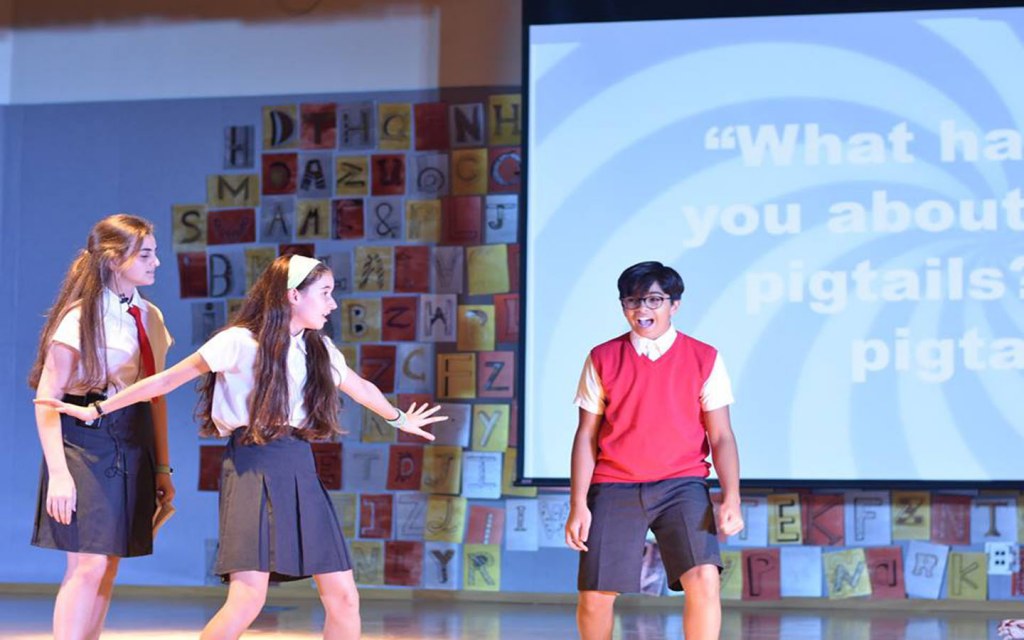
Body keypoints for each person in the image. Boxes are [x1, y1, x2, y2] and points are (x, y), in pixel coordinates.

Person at [38, 254, 446, 640]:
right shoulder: (237, 341)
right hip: (252, 465)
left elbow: (360, 387)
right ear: (294, 295)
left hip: (299, 466)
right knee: (248, 598)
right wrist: (99, 408)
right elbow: (165, 381)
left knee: (344, 597)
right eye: (325, 293)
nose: (333, 304)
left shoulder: (317, 347)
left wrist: (399, 418)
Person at [564, 261, 744, 640]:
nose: (642, 309)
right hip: (614, 485)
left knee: (704, 579)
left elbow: (722, 437)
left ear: (674, 305)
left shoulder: (705, 357)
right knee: (595, 596)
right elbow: (585, 435)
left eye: (653, 300)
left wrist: (732, 497)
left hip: (682, 485)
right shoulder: (602, 357)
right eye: (632, 301)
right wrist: (578, 503)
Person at [29, 213, 174, 640]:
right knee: (87, 562)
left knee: (110, 561)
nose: (156, 263)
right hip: (82, 440)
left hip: (131, 438)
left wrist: (162, 468)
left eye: (154, 253)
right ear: (114, 259)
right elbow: (46, 398)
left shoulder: (149, 316)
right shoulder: (80, 318)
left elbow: (155, 395)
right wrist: (59, 474)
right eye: (145, 255)